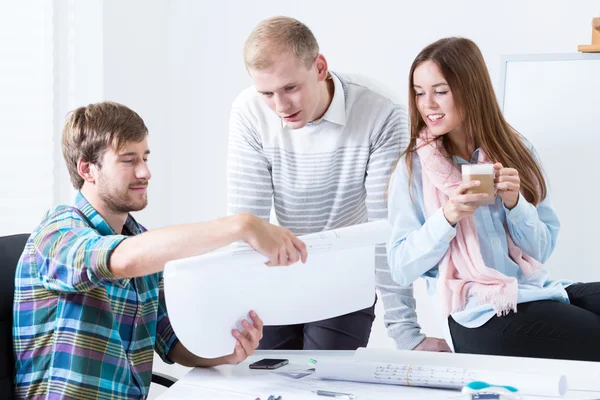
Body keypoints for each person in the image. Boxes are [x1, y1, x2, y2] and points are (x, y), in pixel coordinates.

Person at [13, 101, 307, 399]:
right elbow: (122, 260)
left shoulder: (140, 241)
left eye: (145, 157)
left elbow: (173, 343)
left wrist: (227, 352)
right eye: (129, 160)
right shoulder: (57, 233)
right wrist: (241, 225)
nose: (145, 172)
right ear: (87, 169)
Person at [228, 16, 448, 351]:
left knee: (325, 378)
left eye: (290, 88)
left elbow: (385, 228)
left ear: (319, 67)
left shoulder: (381, 113)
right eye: (267, 93)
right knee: (265, 376)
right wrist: (232, 309)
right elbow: (246, 223)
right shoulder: (250, 111)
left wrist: (407, 333)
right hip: (278, 270)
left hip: (346, 271)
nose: (280, 106)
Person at [387, 37, 600, 361]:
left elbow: (540, 251)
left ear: (472, 89)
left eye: (440, 91)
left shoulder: (517, 150)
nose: (427, 104)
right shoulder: (413, 169)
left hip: (533, 291)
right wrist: (446, 217)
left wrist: (516, 204)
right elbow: (400, 268)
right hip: (478, 315)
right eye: (419, 93)